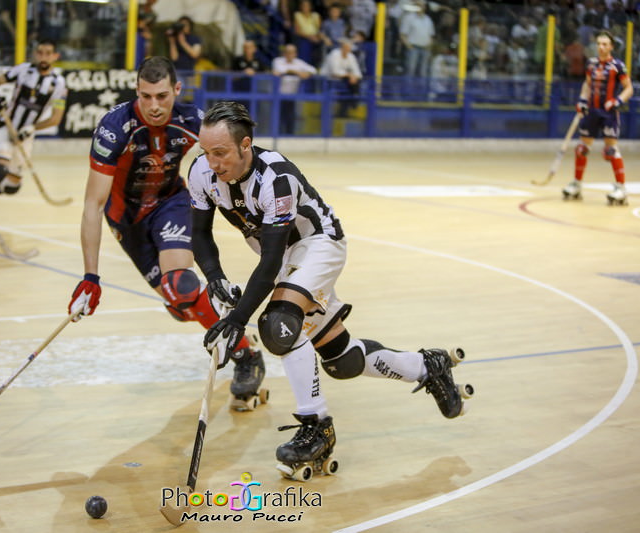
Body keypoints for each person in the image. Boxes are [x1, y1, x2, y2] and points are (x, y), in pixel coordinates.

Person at [189, 101, 470, 473]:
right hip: (286, 256)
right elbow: (200, 234)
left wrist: (238, 319)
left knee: (278, 325)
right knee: (342, 359)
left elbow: (271, 260)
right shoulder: (201, 173)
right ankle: (426, 366)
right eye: (206, 152)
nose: (212, 163)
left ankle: (316, 427)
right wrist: (216, 278)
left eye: (220, 152)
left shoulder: (276, 178)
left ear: (246, 145)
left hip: (318, 244)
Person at [66, 57, 266, 410]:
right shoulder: (114, 127)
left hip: (171, 203)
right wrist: (90, 276)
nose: (154, 106)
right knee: (184, 305)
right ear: (136, 93)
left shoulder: (192, 119)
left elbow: (233, 157)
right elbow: (92, 206)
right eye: (146, 97)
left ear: (176, 90)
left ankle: (246, 355)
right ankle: (205, 311)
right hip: (126, 222)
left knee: (180, 286)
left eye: (161, 96)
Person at [0, 39, 67, 230]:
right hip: (6, 127)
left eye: (48, 53)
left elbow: (56, 119)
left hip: (25, 136)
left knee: (11, 186)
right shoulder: (23, 70)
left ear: (55, 56)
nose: (43, 56)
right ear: (35, 53)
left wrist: (31, 128)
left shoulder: (59, 84)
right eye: (40, 52)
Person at [563, 31, 633, 205]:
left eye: (604, 44)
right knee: (581, 148)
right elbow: (587, 84)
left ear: (611, 47)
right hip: (592, 111)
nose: (601, 47)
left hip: (609, 113)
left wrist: (618, 100)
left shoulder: (618, 66)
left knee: (610, 150)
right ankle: (577, 185)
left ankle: (620, 189)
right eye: (599, 44)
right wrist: (582, 100)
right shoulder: (591, 64)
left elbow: (629, 89)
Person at [272, 43, 317, 134]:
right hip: (278, 96)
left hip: (292, 95)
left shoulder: (299, 62)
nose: (290, 54)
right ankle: (277, 135)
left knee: (290, 117)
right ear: (284, 53)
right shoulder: (278, 61)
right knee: (278, 117)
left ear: (295, 53)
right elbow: (280, 70)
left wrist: (307, 74)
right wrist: (296, 72)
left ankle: (289, 135)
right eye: (287, 52)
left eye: (292, 52)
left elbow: (313, 70)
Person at [320, 38, 362, 116]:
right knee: (350, 87)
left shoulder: (350, 56)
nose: (348, 50)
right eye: (346, 48)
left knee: (353, 84)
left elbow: (358, 72)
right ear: (342, 47)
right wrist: (350, 75)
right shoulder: (334, 54)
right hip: (328, 79)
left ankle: (346, 109)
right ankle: (354, 101)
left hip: (343, 80)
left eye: (349, 49)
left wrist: (353, 77)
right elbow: (335, 72)